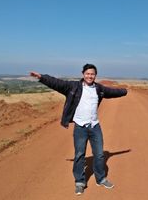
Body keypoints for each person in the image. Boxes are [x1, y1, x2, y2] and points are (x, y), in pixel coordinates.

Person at [29, 64, 128, 195]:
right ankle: (80, 182)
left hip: (95, 127)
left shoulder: (99, 89)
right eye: (87, 73)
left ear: (95, 76)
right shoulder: (73, 87)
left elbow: (112, 92)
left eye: (92, 74)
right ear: (83, 74)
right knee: (79, 154)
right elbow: (56, 83)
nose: (90, 76)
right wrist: (42, 77)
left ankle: (101, 179)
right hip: (80, 127)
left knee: (99, 154)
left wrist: (125, 91)